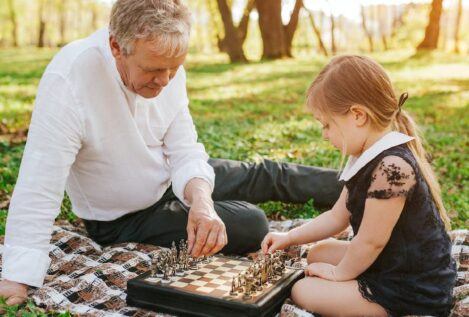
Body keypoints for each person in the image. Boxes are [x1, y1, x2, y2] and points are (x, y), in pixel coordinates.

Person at [0, 0, 341, 306]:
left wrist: (201, 202)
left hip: (169, 177)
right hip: (124, 217)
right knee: (251, 222)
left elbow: (184, 149)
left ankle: (359, 184)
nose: (165, 81)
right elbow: (39, 183)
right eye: (153, 70)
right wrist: (17, 278)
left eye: (174, 69)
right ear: (117, 46)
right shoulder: (70, 78)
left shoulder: (164, 61)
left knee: (265, 173)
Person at [262, 55, 456, 316]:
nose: (325, 134)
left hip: (410, 286)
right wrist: (289, 237)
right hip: (389, 262)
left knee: (302, 290)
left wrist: (338, 273)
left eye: (327, 125)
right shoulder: (364, 156)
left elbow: (370, 243)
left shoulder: (393, 168)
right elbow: (336, 217)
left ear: (358, 115)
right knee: (318, 252)